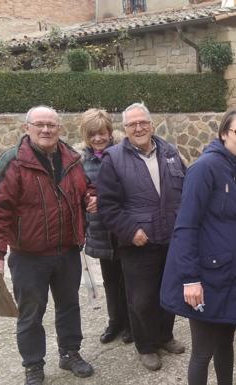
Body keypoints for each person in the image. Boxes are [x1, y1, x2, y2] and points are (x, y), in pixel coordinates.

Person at [0, 105, 94, 385]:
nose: (46, 130)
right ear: (26, 128)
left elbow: (86, 187)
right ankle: (33, 364)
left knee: (69, 306)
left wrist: (91, 196)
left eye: (51, 125)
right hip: (29, 256)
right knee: (31, 313)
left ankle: (69, 354)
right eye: (39, 124)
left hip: (67, 250)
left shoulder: (72, 159)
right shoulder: (12, 161)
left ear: (60, 129)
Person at [160, 110, 236, 385]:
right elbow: (186, 226)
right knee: (203, 351)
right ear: (224, 134)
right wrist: (190, 279)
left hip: (231, 276)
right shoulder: (205, 168)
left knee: (226, 345)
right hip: (205, 278)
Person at [97, 102, 186, 371]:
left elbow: (184, 190)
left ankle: (165, 336)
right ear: (124, 129)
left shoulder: (170, 152)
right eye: (132, 124)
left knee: (169, 292)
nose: (139, 128)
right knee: (141, 298)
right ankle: (146, 345)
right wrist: (129, 231)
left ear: (152, 124)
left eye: (143, 122)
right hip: (137, 242)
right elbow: (107, 206)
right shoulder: (113, 158)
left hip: (170, 238)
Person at [76, 109, 132, 344]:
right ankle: (115, 321)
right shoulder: (79, 159)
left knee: (128, 279)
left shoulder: (123, 152)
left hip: (121, 226)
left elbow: (132, 186)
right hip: (100, 229)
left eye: (102, 133)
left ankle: (131, 323)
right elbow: (77, 189)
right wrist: (87, 199)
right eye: (92, 135)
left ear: (110, 132)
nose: (98, 139)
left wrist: (105, 199)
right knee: (110, 280)